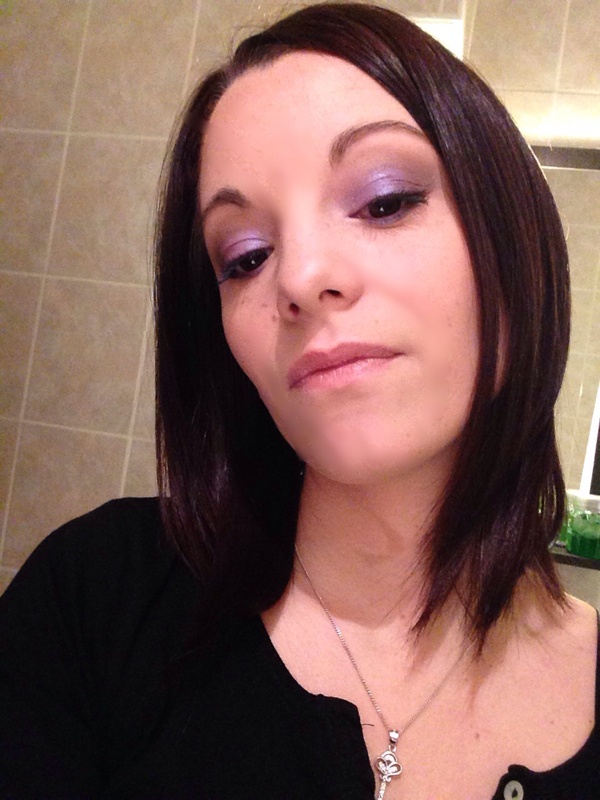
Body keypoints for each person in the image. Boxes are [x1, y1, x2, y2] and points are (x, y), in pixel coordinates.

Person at [0, 3, 597, 798]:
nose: (301, 277)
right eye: (246, 256)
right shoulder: (96, 598)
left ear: (512, 241)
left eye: (384, 201)